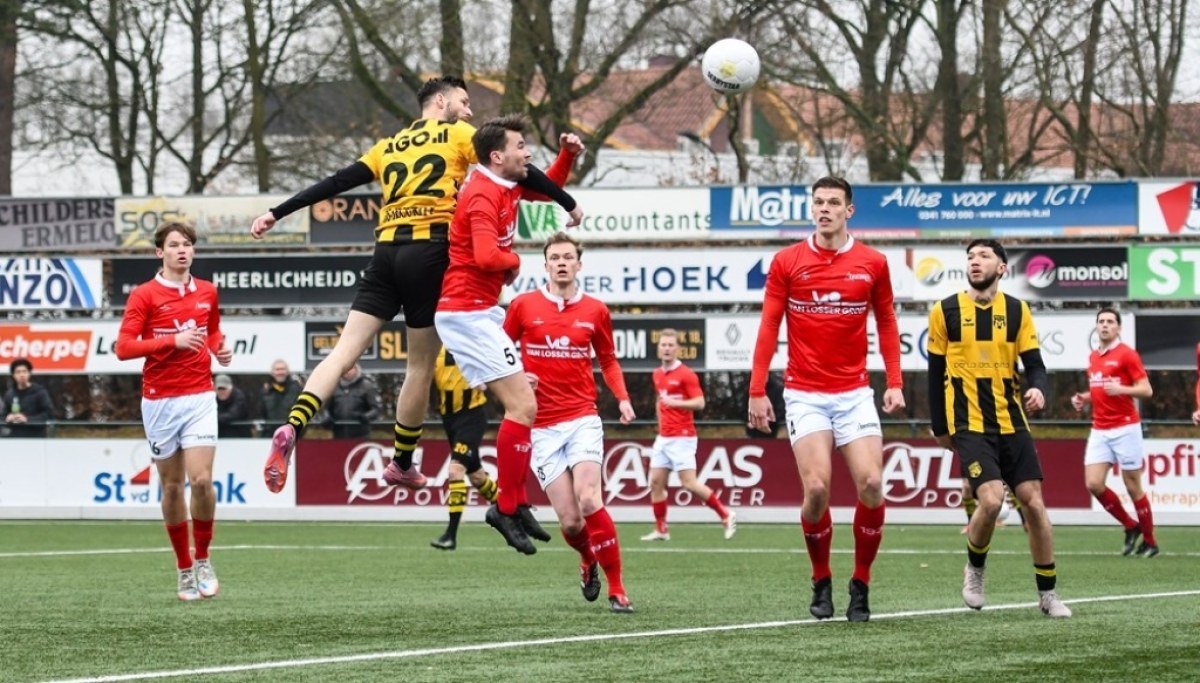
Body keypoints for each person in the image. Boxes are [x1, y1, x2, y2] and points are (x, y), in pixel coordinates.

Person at [254, 76, 581, 495]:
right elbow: (519, 170)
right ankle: (402, 462)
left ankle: (293, 425)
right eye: (463, 102)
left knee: (341, 353)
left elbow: (335, 182)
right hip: (429, 252)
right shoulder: (458, 134)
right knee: (420, 365)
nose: (469, 112)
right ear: (440, 102)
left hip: (384, 254)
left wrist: (276, 212)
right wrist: (569, 203)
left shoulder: (387, 146)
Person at [746, 176, 904, 623]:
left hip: (854, 394)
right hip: (805, 394)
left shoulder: (873, 262)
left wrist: (894, 381)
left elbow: (887, 321)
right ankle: (821, 578)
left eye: (834, 202)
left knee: (871, 484)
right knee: (816, 489)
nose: (825, 209)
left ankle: (861, 583)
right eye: (818, 202)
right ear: (811, 208)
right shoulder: (787, 261)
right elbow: (768, 326)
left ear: (849, 210)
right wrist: (757, 390)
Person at [435, 115, 578, 556]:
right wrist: (513, 262)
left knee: (524, 405)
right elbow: (484, 256)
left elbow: (547, 188)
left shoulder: (505, 183)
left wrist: (567, 156)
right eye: (520, 146)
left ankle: (513, 505)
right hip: (466, 313)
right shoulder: (482, 193)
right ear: (497, 156)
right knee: (524, 405)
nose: (527, 152)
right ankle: (507, 506)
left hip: (479, 311)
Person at [927, 238, 1070, 618]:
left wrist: (1039, 389)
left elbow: (1035, 364)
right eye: (970, 256)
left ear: (1002, 267)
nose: (975, 261)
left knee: (1034, 504)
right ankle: (974, 571)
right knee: (990, 501)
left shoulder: (1018, 310)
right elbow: (935, 372)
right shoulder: (945, 310)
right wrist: (940, 426)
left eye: (984, 256)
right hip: (969, 423)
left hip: (1011, 421)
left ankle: (1048, 593)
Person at [503, 231, 637, 613]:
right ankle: (586, 559)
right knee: (572, 522)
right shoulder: (523, 306)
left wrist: (623, 398)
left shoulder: (595, 310)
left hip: (582, 418)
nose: (561, 263)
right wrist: (517, 377)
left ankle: (617, 589)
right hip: (540, 427)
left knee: (590, 497)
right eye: (555, 258)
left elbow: (608, 359)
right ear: (545, 265)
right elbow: (499, 351)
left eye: (567, 257)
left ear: (579, 264)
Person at [115, 220, 233, 601]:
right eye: (174, 245)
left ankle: (203, 559)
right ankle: (183, 567)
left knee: (202, 481)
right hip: (159, 400)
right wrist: (172, 341)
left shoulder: (208, 291)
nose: (182, 250)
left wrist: (219, 347)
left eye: (187, 244)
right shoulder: (144, 295)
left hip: (199, 396)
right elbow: (123, 348)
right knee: (170, 486)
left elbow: (211, 330)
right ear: (159, 252)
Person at [1070, 308, 1158, 557]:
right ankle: (1130, 526)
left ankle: (1150, 541)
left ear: (1119, 328)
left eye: (1110, 322)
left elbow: (1146, 390)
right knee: (1093, 483)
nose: (1105, 325)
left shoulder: (1127, 355)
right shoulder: (1093, 357)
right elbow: (1100, 389)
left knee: (1132, 485)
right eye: (1101, 322)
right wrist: (1084, 398)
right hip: (1100, 429)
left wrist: (1122, 389)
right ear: (1096, 326)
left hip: (1126, 428)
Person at [640, 328, 736, 542]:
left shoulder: (686, 374)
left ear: (677, 349)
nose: (666, 348)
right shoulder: (657, 374)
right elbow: (659, 401)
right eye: (663, 345)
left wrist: (676, 404)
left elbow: (700, 403)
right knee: (655, 482)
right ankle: (661, 529)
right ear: (658, 348)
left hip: (683, 437)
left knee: (689, 483)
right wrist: (660, 424)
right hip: (664, 437)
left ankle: (725, 514)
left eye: (670, 345)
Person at [430, 346, 499, 550]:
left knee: (455, 470)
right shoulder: (434, 351)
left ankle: (450, 535)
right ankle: (515, 513)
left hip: (472, 417)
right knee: (477, 477)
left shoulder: (470, 346)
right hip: (449, 420)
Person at [323, 363, 382, 439]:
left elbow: (376, 409)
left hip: (361, 436)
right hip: (338, 435)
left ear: (356, 369)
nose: (348, 372)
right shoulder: (334, 386)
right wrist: (327, 418)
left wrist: (366, 417)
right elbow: (326, 409)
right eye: (345, 369)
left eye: (350, 369)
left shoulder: (366, 386)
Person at [1, 358, 54, 438]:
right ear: (13, 375)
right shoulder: (9, 394)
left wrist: (27, 419)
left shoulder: (40, 392)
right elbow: (2, 416)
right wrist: (7, 418)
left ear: (29, 373)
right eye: (18, 372)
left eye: (24, 371)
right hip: (14, 437)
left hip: (36, 437)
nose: (21, 375)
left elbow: (49, 414)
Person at [260, 359, 302, 424]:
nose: (280, 372)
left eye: (282, 369)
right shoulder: (266, 391)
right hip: (271, 429)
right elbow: (261, 413)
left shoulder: (297, 389)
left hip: (291, 428)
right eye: (277, 369)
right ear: (272, 373)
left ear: (287, 371)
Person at [744, 372, 784, 439]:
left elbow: (781, 411)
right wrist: (750, 420)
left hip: (771, 432)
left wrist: (767, 420)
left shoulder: (778, 389)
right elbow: (743, 410)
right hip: (752, 432)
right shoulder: (749, 388)